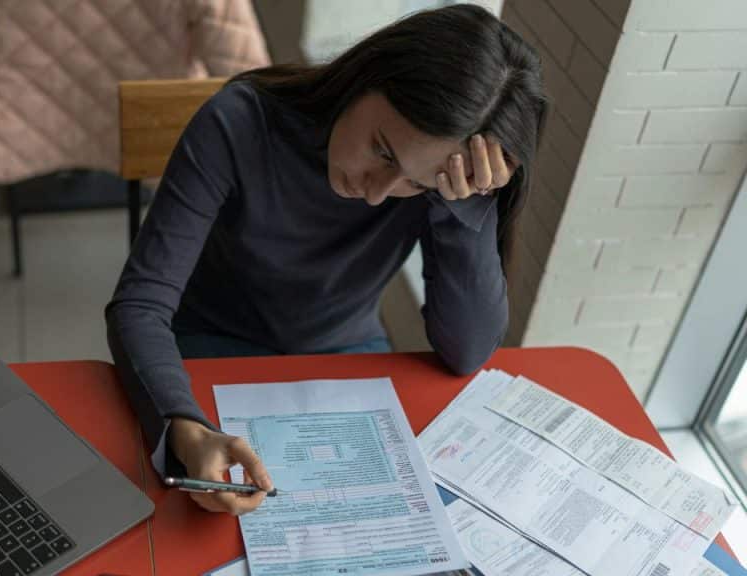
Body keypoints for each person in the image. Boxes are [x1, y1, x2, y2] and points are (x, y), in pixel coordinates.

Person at [105, 4, 548, 516]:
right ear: (367, 75)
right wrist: (183, 425)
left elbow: (467, 352)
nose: (379, 193)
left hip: (346, 354)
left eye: (418, 183)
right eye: (383, 151)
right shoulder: (240, 121)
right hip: (207, 348)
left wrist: (464, 204)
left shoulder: (442, 191)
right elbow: (139, 305)